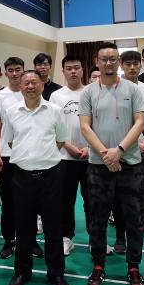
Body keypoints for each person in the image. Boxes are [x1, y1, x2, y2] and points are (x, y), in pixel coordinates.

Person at [79, 42, 144, 285]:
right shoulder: (88, 92)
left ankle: (134, 267)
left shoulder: (133, 89)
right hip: (99, 166)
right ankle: (98, 265)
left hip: (130, 164)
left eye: (113, 59)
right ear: (96, 62)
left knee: (134, 219)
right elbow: (85, 126)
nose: (109, 63)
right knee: (97, 219)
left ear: (118, 62)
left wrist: (118, 150)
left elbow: (140, 123)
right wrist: (106, 154)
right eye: (104, 59)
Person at [2, 71, 71, 285]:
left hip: (51, 176)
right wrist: (29, 159)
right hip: (22, 177)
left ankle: (56, 273)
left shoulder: (55, 111)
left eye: (34, 82)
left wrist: (42, 157)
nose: (30, 86)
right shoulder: (12, 112)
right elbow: (11, 141)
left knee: (53, 227)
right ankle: (22, 272)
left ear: (42, 85)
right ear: (20, 87)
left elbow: (61, 140)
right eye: (26, 83)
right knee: (23, 227)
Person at [0, 57, 33, 259]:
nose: (15, 73)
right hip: (7, 156)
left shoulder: (32, 92)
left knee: (31, 202)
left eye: (18, 69)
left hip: (30, 155)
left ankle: (31, 240)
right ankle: (9, 240)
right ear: (6, 73)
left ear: (23, 70)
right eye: (11, 70)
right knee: (8, 202)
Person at [49, 55, 89, 255]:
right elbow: (53, 126)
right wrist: (68, 146)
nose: (73, 71)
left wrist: (90, 147)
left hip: (91, 156)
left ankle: (95, 239)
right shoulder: (56, 96)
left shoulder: (92, 92)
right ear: (63, 71)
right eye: (69, 68)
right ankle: (66, 237)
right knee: (66, 200)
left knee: (93, 201)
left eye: (76, 67)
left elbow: (98, 123)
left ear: (82, 69)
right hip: (65, 156)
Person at [120, 50, 144, 252]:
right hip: (124, 151)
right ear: (121, 66)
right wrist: (133, 143)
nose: (132, 68)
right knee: (121, 196)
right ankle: (121, 236)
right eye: (128, 64)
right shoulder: (115, 88)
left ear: (140, 65)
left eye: (135, 64)